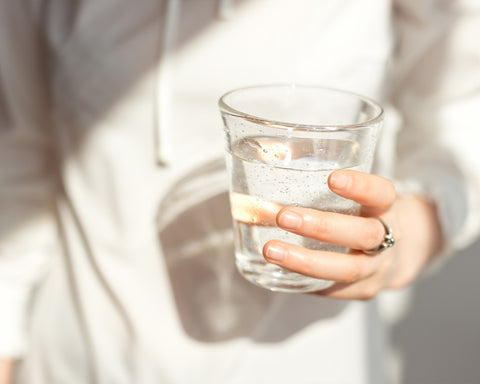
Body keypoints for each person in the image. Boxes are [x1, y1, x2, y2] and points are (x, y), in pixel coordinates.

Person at [0, 0, 479, 383]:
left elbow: (463, 120)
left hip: (306, 366)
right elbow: (16, 173)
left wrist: (400, 240)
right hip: (74, 360)